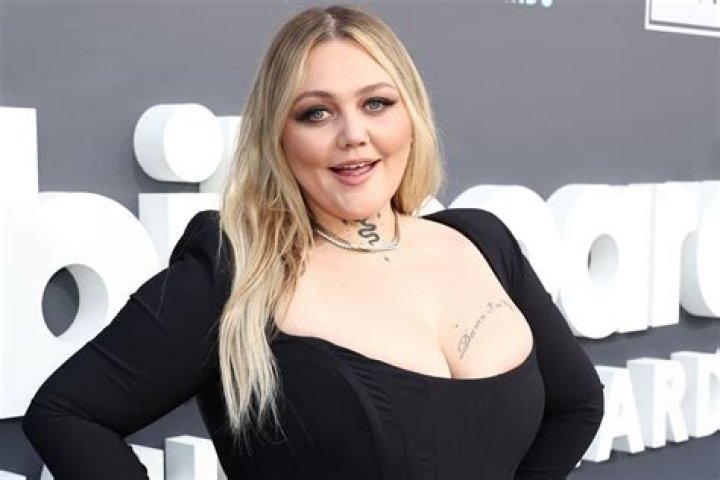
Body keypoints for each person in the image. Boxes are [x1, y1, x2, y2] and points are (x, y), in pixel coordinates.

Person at [23, 5, 603, 479]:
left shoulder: (482, 241)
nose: (354, 135)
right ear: (277, 137)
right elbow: (67, 413)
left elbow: (577, 403)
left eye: (376, 103)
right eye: (316, 113)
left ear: (411, 116)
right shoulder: (236, 273)